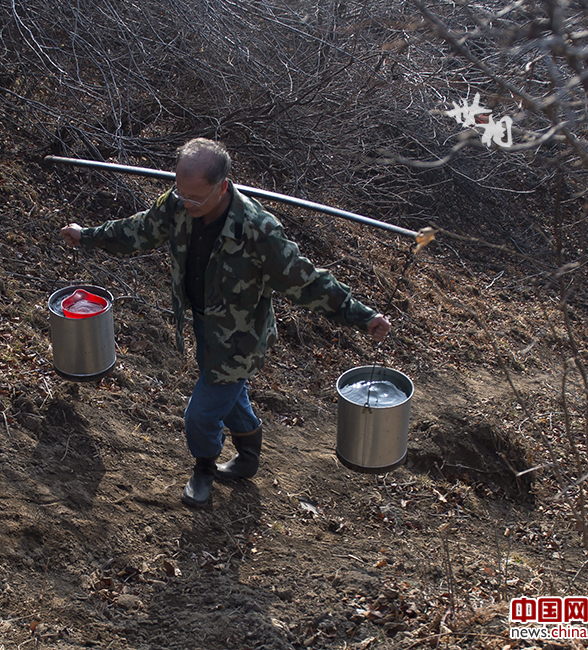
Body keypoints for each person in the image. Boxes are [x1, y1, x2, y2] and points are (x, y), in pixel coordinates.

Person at [60, 138, 391, 507]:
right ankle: (248, 457)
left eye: (194, 197)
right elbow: (137, 230)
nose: (185, 203)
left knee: (201, 414)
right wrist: (86, 236)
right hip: (203, 323)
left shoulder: (258, 231)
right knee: (226, 393)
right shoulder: (179, 203)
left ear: (222, 186)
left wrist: (363, 316)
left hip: (240, 340)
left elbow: (307, 282)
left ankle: (204, 467)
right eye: (180, 193)